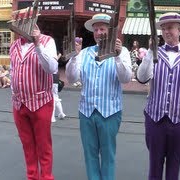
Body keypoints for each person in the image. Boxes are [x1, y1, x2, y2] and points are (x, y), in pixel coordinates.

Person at [137, 12, 180, 180]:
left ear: (179, 30)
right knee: (155, 164)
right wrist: (149, 54)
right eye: (164, 28)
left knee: (174, 164)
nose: (167, 32)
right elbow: (141, 78)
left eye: (170, 28)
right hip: (155, 118)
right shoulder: (154, 53)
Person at [65, 13, 132, 180]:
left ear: (110, 31)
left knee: (108, 154)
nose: (99, 32)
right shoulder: (85, 52)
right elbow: (72, 79)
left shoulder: (122, 51)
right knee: (90, 154)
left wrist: (116, 57)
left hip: (110, 112)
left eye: (102, 29)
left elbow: (125, 78)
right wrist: (73, 56)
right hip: (87, 112)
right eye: (96, 29)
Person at [9, 24, 58, 180]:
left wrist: (37, 45)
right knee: (27, 145)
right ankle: (32, 177)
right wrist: (13, 91)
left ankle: (46, 177)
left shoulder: (47, 41)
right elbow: (12, 70)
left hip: (41, 102)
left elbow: (52, 68)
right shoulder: (14, 45)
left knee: (43, 146)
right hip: (19, 103)